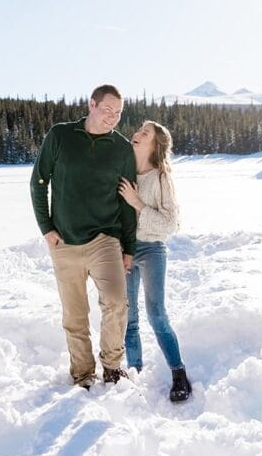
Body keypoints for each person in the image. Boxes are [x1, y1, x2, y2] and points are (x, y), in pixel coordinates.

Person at [30, 85, 138, 389]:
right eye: (107, 110)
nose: (113, 118)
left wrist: (128, 247)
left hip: (104, 239)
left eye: (118, 113)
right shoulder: (60, 136)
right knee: (75, 315)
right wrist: (46, 228)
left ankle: (113, 367)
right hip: (64, 242)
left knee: (117, 302)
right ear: (92, 104)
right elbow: (38, 182)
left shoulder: (121, 148)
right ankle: (82, 374)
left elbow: (126, 204)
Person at [117, 120, 192, 402]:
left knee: (156, 314)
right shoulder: (123, 171)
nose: (137, 134)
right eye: (138, 130)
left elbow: (171, 223)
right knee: (128, 318)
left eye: (144, 133)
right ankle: (134, 374)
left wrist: (137, 203)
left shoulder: (161, 177)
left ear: (155, 144)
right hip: (124, 250)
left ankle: (178, 373)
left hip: (151, 250)